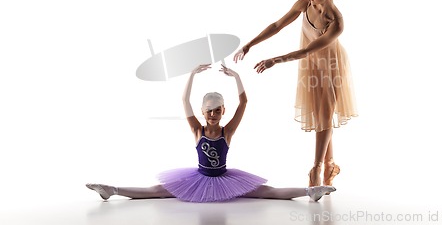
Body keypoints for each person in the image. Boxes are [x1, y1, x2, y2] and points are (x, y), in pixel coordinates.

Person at [86, 64, 334, 202]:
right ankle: (112, 189)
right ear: (203, 112)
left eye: (217, 110)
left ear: (223, 110)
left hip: (226, 177)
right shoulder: (197, 129)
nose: (213, 114)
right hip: (197, 178)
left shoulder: (228, 130)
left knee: (267, 193)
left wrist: (236, 76)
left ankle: (311, 192)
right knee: (156, 191)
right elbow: (183, 100)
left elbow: (244, 103)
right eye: (209, 111)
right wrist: (191, 74)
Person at [233, 0, 358, 187]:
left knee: (325, 114)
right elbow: (277, 25)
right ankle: (329, 164)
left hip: (330, 65)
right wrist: (249, 44)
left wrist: (276, 60)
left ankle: (316, 169)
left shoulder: (336, 22)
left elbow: (308, 49)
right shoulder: (304, 4)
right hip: (311, 64)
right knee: (321, 115)